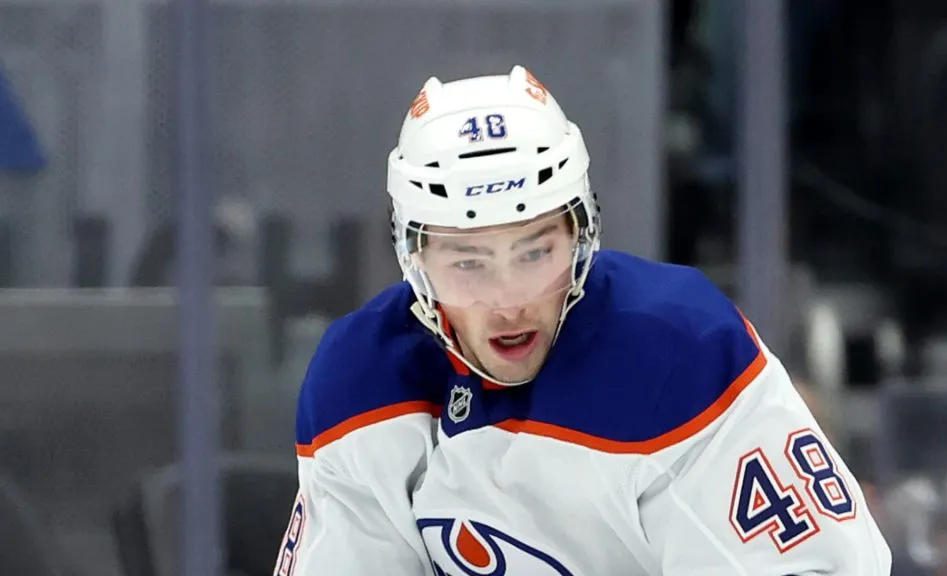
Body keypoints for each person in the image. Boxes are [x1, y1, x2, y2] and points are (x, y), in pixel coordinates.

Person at [273, 66, 891, 575]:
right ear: (416, 262)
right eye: (469, 262)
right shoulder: (358, 385)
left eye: (535, 253)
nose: (509, 299)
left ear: (581, 236)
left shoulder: (678, 354)